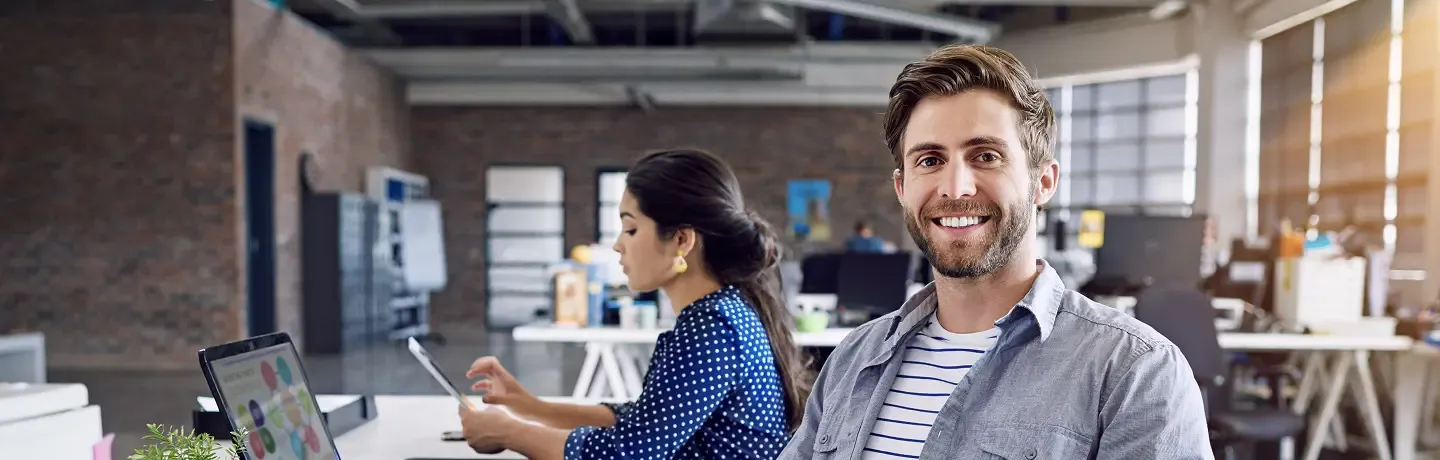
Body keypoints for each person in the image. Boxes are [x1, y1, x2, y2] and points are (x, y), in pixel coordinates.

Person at [777, 44, 1212, 460]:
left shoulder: (1133, 372)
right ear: (902, 188)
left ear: (1043, 181)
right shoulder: (853, 359)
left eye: (985, 155)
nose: (955, 187)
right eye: (929, 161)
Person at [458, 149, 812, 460]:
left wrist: (508, 432)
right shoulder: (722, 313)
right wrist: (528, 406)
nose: (617, 245)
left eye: (630, 230)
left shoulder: (713, 328)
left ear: (681, 240)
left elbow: (627, 453)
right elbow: (644, 422)